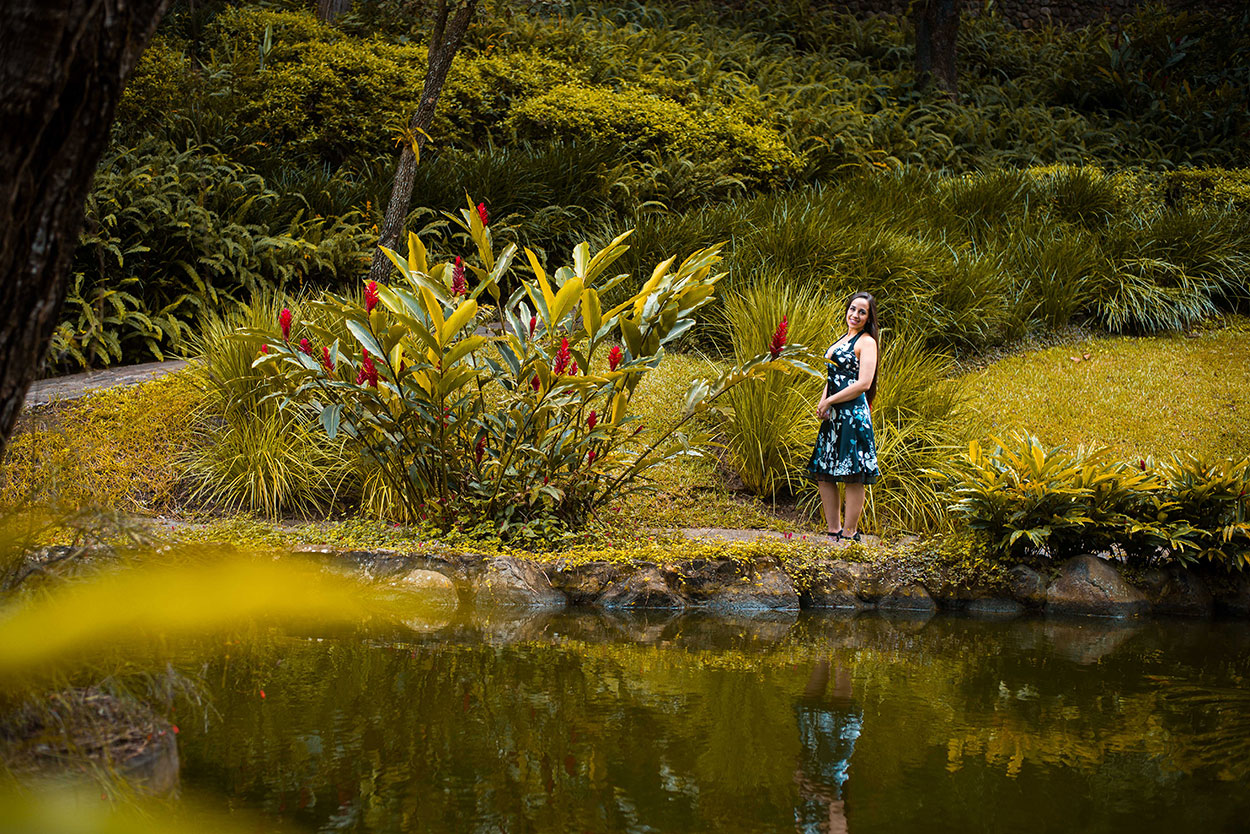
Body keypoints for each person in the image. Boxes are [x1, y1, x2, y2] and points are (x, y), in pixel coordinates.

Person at [806, 291, 880, 542]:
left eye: (862, 312)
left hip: (853, 416)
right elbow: (832, 375)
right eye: (852, 309)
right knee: (825, 471)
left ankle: (850, 533)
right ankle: (833, 530)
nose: (855, 315)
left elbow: (864, 383)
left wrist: (830, 400)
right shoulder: (842, 340)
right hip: (834, 416)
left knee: (852, 475)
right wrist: (823, 400)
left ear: (868, 318)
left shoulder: (866, 342)